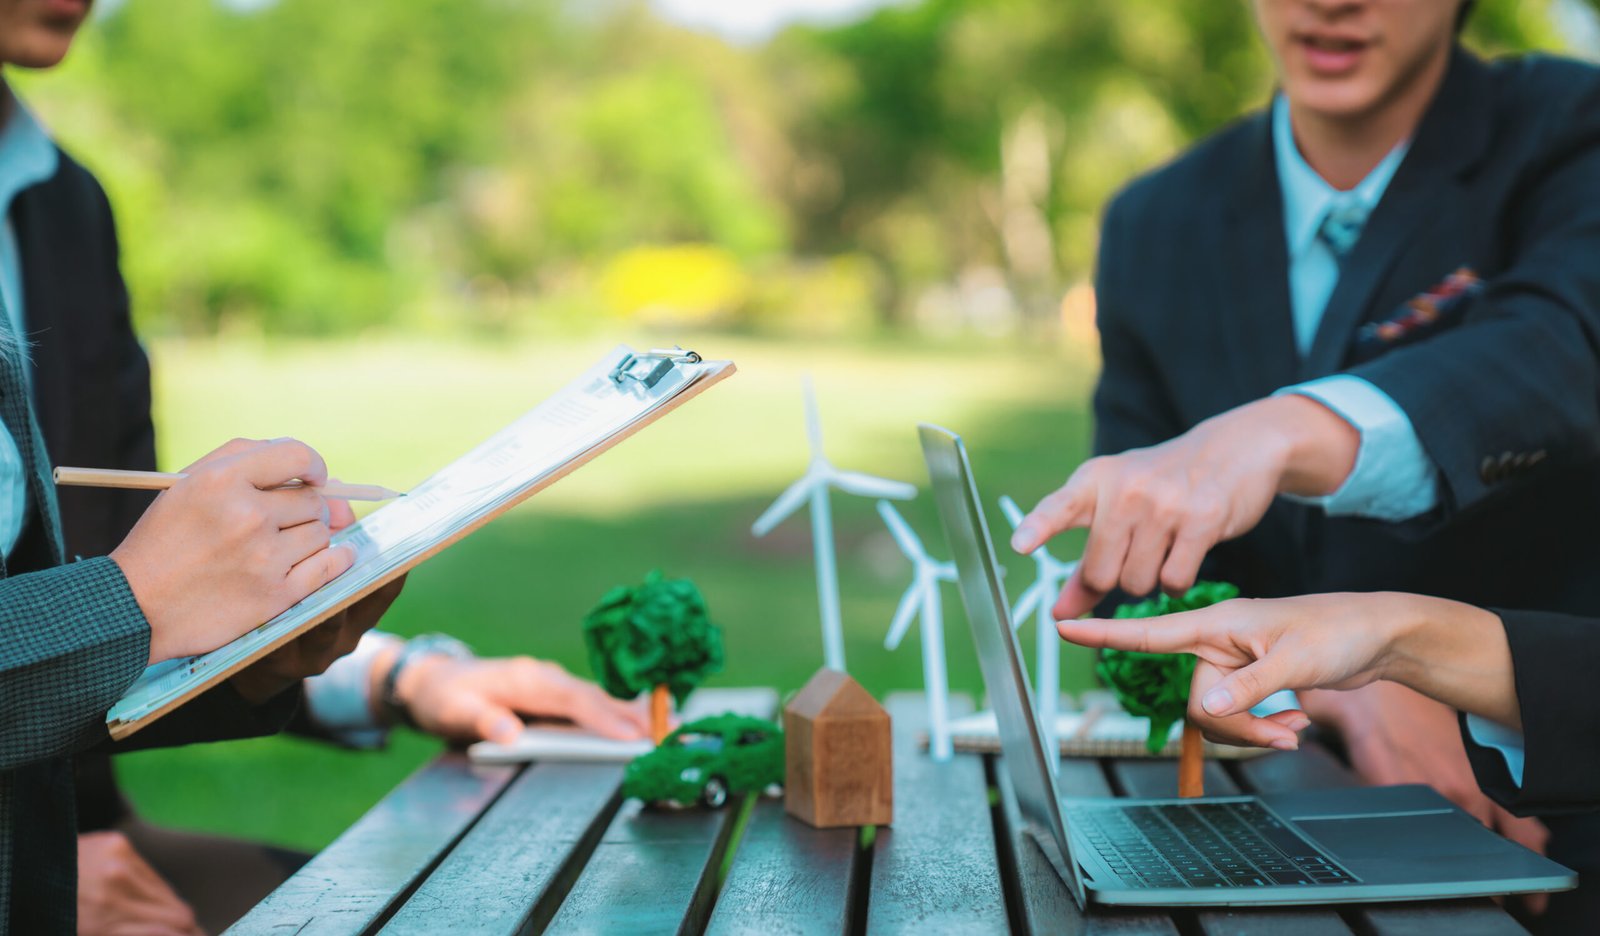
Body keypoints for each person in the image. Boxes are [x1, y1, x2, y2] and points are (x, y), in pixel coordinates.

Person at [0, 1, 653, 932]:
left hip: (79, 835)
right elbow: (128, 600)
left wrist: (389, 674)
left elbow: (112, 576)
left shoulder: (67, 206)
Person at [1008, 0, 1600, 927]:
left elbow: (1561, 348)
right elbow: (1149, 584)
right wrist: (1339, 687)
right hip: (1274, 833)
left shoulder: (1573, 131)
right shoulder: (1152, 222)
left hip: (1549, 836)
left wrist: (1277, 432)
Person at [1056, 594, 1600, 816]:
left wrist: (1402, 651)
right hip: (1322, 765)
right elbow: (1136, 590)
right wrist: (1361, 675)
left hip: (1544, 790)